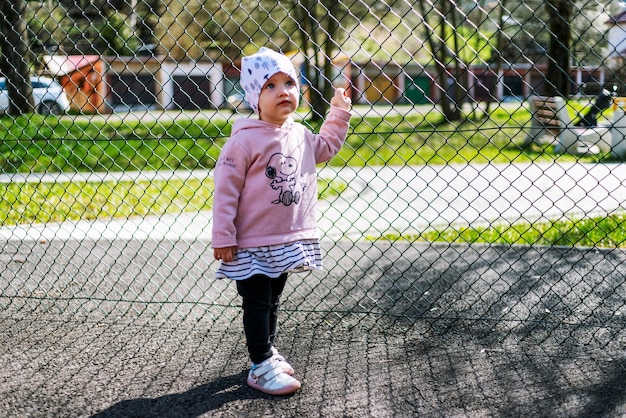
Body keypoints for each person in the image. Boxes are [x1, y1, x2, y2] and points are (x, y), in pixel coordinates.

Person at [211, 47, 352, 396]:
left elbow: (327, 147)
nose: (283, 91)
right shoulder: (243, 141)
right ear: (254, 97)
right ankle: (260, 364)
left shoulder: (300, 134)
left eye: (289, 82)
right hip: (251, 242)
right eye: (270, 86)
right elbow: (225, 191)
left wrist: (339, 112)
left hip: (285, 240)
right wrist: (223, 235)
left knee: (273, 300)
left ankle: (267, 352)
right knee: (257, 302)